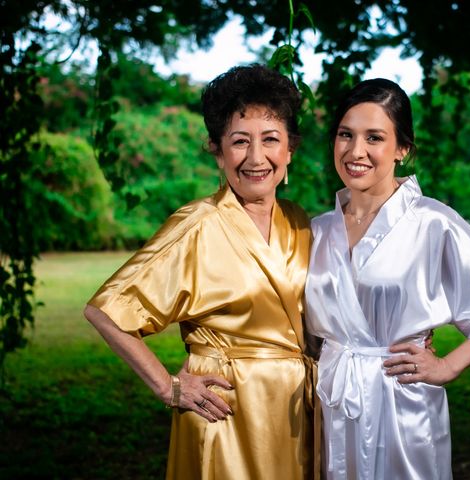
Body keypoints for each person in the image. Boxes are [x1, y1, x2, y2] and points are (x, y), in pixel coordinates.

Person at [84, 64, 318, 480]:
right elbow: (107, 310)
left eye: (270, 140)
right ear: (216, 148)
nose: (256, 158)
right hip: (225, 413)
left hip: (295, 414)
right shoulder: (197, 224)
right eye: (239, 141)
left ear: (290, 149)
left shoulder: (301, 222)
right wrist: (169, 386)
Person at [304, 78, 470, 479]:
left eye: (374, 137)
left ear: (403, 149)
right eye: (345, 135)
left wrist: (448, 366)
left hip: (401, 400)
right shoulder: (318, 230)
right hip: (332, 399)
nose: (356, 151)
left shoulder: (432, 221)